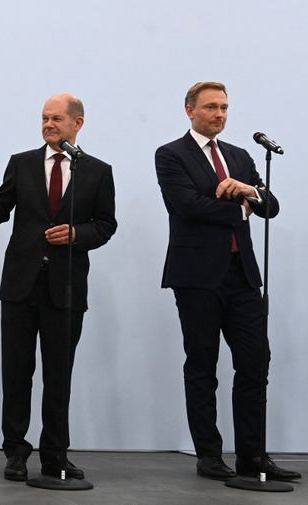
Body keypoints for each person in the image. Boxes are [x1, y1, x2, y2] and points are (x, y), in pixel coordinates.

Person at [0, 93, 116, 482]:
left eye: (56, 119)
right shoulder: (22, 164)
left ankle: (55, 455)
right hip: (20, 285)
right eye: (44, 118)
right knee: (16, 372)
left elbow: (105, 225)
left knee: (58, 375)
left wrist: (76, 234)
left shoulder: (97, 171)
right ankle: (15, 452)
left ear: (77, 124)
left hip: (65, 288)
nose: (48, 125)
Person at [155, 81, 301, 481]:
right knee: (202, 365)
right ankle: (209, 455)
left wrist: (249, 191)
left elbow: (270, 206)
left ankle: (253, 456)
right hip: (196, 276)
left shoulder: (239, 156)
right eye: (210, 107)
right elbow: (186, 206)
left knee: (256, 362)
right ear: (190, 111)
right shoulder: (171, 155)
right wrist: (240, 209)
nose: (219, 114)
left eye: (224, 107)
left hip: (242, 276)